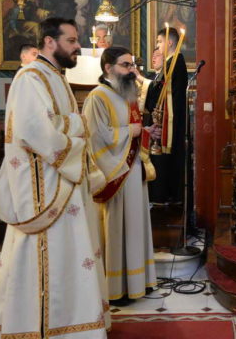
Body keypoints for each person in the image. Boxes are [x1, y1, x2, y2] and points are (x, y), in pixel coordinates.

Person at [0, 17, 110, 338]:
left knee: (71, 254)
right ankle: (39, 326)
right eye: (72, 40)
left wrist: (71, 126)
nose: (78, 46)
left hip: (64, 182)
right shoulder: (30, 77)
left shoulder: (57, 77)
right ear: (49, 42)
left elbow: (65, 123)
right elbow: (34, 129)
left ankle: (72, 326)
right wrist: (76, 131)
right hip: (46, 187)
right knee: (45, 254)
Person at [83, 46, 157, 307]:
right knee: (117, 229)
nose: (132, 70)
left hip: (133, 170)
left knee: (136, 227)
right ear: (108, 68)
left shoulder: (126, 95)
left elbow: (132, 130)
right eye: (126, 65)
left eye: (132, 65)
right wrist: (132, 131)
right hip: (115, 173)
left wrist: (145, 132)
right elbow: (95, 136)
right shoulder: (97, 97)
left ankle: (138, 282)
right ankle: (117, 288)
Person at [136, 27, 187, 207]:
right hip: (164, 118)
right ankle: (160, 196)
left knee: (166, 158)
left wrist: (140, 79)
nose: (157, 46)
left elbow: (160, 91)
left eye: (159, 41)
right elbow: (158, 88)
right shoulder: (170, 63)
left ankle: (166, 196)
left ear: (170, 42)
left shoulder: (175, 62)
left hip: (170, 121)